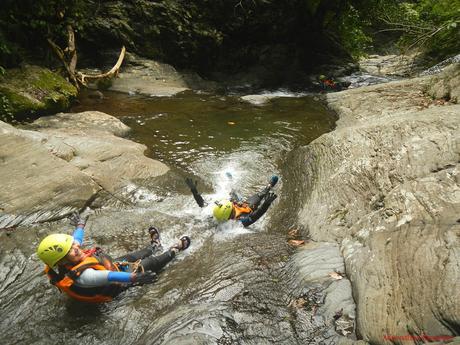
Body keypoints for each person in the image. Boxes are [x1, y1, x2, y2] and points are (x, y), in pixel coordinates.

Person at [36, 213, 191, 303]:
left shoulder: (67, 256)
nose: (76, 248)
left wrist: (80, 226)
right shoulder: (84, 277)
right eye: (71, 250)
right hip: (116, 285)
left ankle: (155, 245)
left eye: (73, 246)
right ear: (62, 261)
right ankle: (176, 249)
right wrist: (135, 277)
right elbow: (111, 276)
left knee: (134, 255)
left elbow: (77, 239)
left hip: (111, 266)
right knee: (150, 263)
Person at [185, 175, 279, 227]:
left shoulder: (217, 213)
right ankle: (268, 188)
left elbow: (202, 204)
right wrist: (266, 204)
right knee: (261, 196)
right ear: (230, 214)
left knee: (233, 194)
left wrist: (194, 191)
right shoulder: (240, 222)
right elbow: (257, 214)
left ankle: (268, 186)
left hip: (240, 205)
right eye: (233, 208)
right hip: (248, 208)